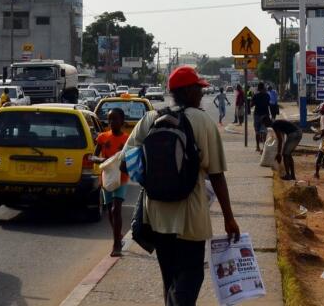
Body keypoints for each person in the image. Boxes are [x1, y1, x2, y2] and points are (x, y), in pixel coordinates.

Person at [127, 66, 239, 306]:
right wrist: (229, 218)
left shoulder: (150, 118)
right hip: (191, 216)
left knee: (169, 278)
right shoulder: (202, 121)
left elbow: (127, 160)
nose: (201, 93)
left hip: (156, 215)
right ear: (187, 91)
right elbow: (217, 175)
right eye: (198, 89)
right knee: (192, 275)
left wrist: (152, 176)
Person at [96, 108, 130, 257]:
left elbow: (131, 158)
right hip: (107, 178)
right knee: (110, 211)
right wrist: (103, 160)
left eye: (115, 119)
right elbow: (93, 156)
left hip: (121, 178)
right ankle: (118, 235)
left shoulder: (127, 140)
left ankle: (116, 245)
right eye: (109, 119)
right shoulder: (103, 137)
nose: (112, 122)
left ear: (122, 121)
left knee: (116, 209)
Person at [251, 82, 272, 153]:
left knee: (257, 132)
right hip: (265, 115)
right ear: (263, 88)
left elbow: (251, 105)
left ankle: (257, 147)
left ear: (258, 88)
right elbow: (269, 104)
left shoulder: (255, 95)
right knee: (264, 132)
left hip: (257, 114)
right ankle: (264, 148)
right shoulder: (267, 95)